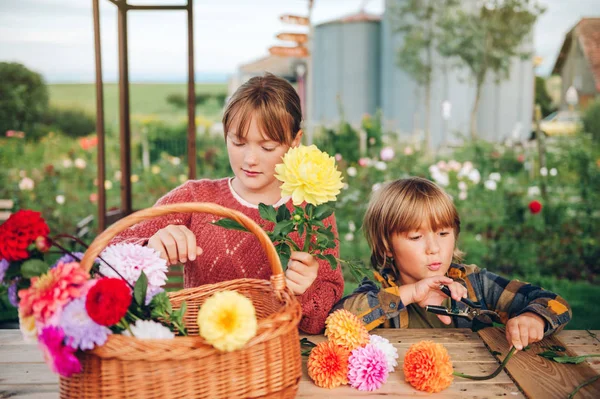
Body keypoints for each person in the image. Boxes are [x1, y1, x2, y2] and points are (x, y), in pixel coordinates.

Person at [111, 73, 344, 334]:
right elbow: (106, 257)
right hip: (206, 359)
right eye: (238, 142)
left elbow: (316, 322)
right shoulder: (194, 199)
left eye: (267, 147)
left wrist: (308, 287)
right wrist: (149, 247)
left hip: (275, 360)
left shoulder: (311, 212)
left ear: (295, 141)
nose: (250, 159)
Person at [334, 177, 571, 350]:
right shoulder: (378, 291)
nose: (434, 248)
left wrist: (533, 318)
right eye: (416, 237)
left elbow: (556, 304)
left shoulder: (476, 284)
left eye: (443, 234)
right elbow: (337, 322)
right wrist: (411, 293)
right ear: (387, 246)